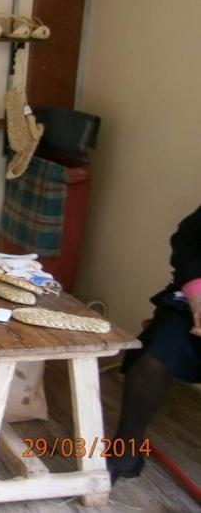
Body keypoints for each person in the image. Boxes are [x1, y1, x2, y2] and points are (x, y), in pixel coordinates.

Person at [108, 204, 201, 483]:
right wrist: (197, 295)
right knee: (153, 360)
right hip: (192, 304)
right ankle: (125, 451)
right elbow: (187, 238)